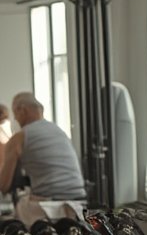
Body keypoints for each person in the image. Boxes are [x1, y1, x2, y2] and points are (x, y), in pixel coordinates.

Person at [0, 92, 86, 225]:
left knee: (17, 208)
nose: (15, 119)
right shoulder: (59, 131)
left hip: (50, 205)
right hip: (79, 200)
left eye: (14, 114)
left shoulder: (19, 137)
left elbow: (4, 185)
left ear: (22, 110)